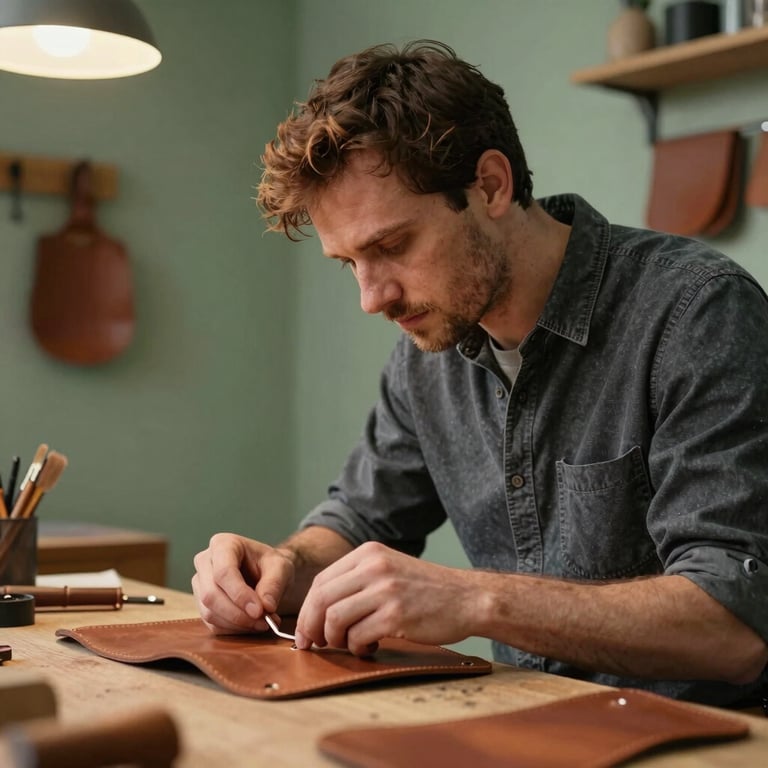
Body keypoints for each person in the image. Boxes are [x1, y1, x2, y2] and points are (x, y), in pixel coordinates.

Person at [192, 40, 768, 708]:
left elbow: (738, 623)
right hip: (526, 726)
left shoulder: (696, 312)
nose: (372, 298)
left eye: (391, 246)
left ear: (490, 185)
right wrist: (285, 567)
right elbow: (359, 516)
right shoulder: (430, 347)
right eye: (349, 263)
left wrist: (474, 599)